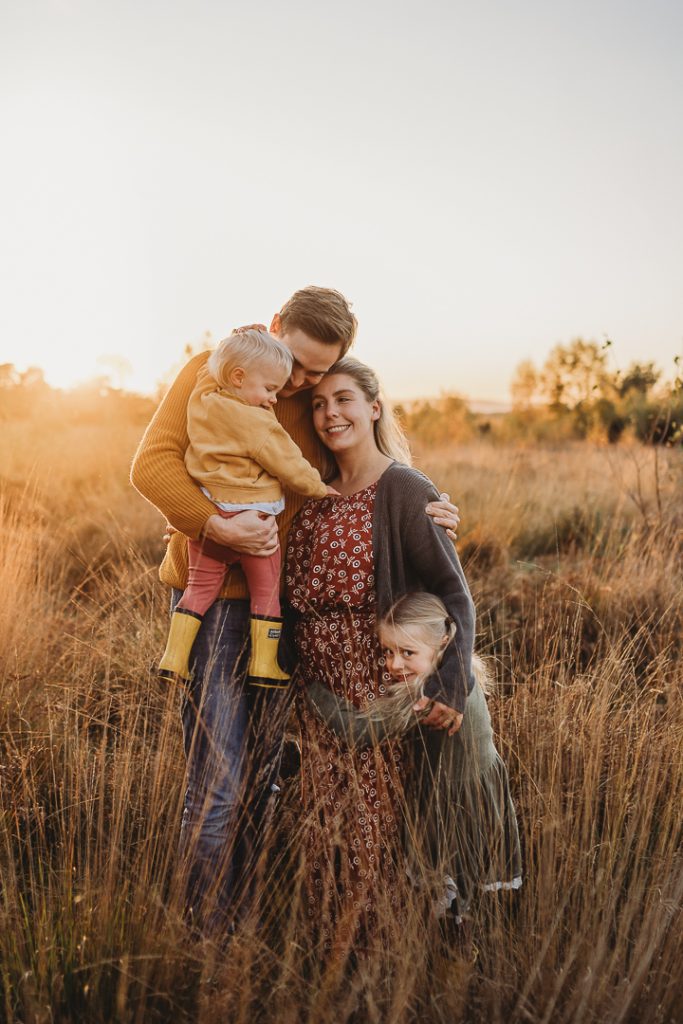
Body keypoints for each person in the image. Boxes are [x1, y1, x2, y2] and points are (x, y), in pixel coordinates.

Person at [130, 286, 460, 933]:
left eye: (317, 374)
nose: (303, 384)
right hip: (217, 602)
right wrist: (214, 526)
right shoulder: (218, 371)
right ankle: (202, 937)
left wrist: (430, 511)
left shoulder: (311, 402)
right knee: (219, 783)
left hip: (279, 614)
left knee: (258, 778)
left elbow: (352, 479)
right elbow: (151, 465)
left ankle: (245, 923)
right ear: (272, 326)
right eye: (298, 363)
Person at [284, 356, 479, 956]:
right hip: (314, 700)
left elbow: (456, 597)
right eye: (318, 403)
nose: (329, 413)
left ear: (374, 406)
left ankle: (378, 972)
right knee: (322, 842)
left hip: (376, 698)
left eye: (343, 399)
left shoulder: (403, 488)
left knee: (373, 841)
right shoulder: (309, 488)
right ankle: (328, 970)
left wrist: (448, 687)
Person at [305, 592, 522, 927]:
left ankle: (456, 941)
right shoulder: (463, 672)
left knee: (452, 880)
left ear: (444, 642)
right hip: (484, 785)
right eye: (388, 652)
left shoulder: (423, 693)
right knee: (476, 871)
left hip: (451, 800)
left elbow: (360, 730)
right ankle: (479, 932)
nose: (394, 664)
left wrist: (312, 690)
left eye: (407, 652)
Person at [158, 329, 336, 689]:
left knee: (198, 588)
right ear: (240, 377)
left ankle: (173, 659)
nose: (274, 398)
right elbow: (290, 465)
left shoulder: (205, 395)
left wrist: (231, 352)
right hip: (254, 522)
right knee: (267, 592)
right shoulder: (257, 422)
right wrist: (319, 488)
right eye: (270, 388)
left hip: (212, 515)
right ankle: (264, 664)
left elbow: (216, 371)